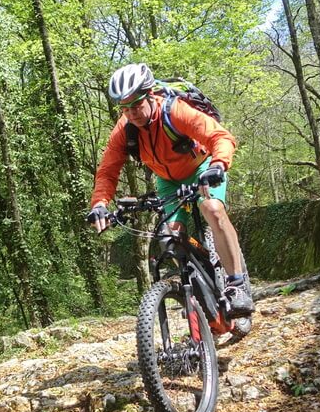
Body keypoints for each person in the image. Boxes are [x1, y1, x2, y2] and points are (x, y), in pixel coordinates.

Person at [86, 62, 254, 316]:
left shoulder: (174, 111)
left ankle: (236, 285)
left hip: (201, 168)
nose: (131, 114)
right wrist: (100, 204)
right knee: (169, 237)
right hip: (167, 180)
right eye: (125, 108)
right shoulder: (124, 129)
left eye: (136, 105)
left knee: (212, 209)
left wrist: (218, 164)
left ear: (149, 95)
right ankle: (200, 294)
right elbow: (108, 169)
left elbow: (220, 137)